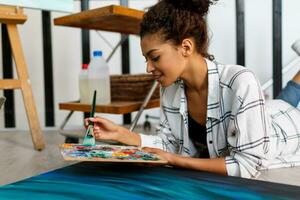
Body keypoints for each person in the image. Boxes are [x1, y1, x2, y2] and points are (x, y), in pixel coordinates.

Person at [86, 0, 300, 178]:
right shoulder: (170, 88)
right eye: (146, 59)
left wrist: (176, 161)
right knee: (288, 94)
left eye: (155, 57)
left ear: (186, 47)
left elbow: (246, 165)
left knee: (288, 99)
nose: (149, 68)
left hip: (286, 127)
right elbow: (170, 144)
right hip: (266, 109)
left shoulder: (240, 81)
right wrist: (121, 134)